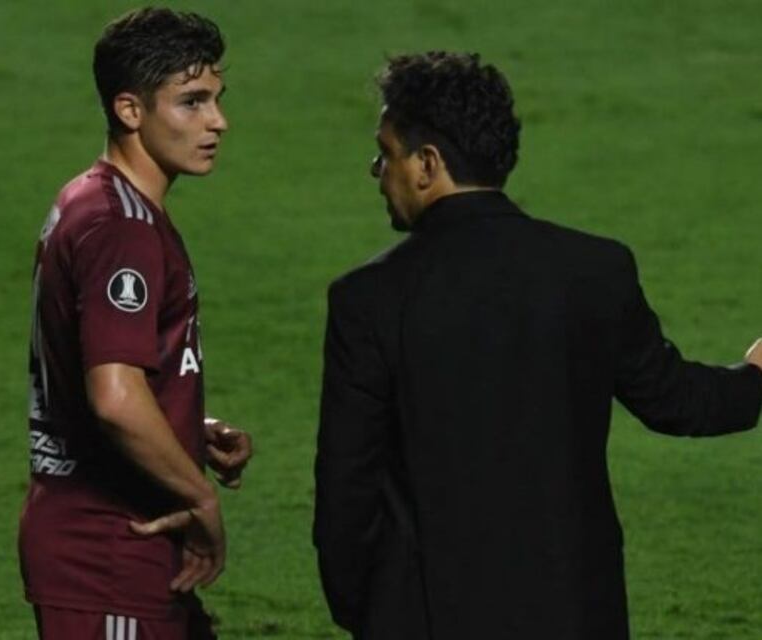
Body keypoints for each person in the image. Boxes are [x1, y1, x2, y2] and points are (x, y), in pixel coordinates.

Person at [313, 51, 762, 639]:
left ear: (427, 164)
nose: (379, 171)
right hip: (574, 614)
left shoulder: (367, 299)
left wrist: (369, 613)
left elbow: (345, 491)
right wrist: (754, 378)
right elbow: (674, 400)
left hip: (423, 617)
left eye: (386, 154)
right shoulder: (592, 270)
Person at [19, 9, 252, 640]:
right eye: (192, 102)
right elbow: (115, 399)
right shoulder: (122, 227)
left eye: (217, 100)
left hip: (115, 549)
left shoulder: (87, 197)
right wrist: (201, 501)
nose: (217, 121)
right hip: (109, 551)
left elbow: (96, 371)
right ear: (130, 109)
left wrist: (183, 427)